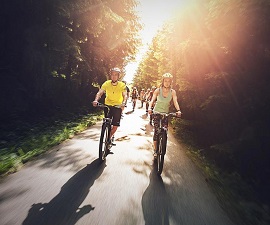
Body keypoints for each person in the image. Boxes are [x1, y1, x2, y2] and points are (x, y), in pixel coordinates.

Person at [148, 73, 182, 157]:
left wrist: (178, 110)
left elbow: (175, 102)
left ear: (171, 82)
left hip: (166, 113)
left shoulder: (172, 92)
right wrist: (149, 108)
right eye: (165, 81)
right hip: (156, 112)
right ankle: (155, 150)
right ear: (162, 81)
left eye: (168, 81)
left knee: (164, 131)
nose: (167, 83)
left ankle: (162, 143)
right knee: (156, 131)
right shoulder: (158, 90)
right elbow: (152, 100)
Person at [92, 67, 127, 145]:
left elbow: (125, 95)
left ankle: (109, 138)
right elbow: (100, 92)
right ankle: (106, 130)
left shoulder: (122, 85)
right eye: (112, 75)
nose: (114, 76)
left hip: (118, 106)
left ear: (118, 76)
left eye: (116, 75)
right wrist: (96, 100)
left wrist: (124, 102)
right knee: (106, 121)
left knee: (115, 126)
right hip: (107, 106)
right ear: (110, 75)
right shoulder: (106, 83)